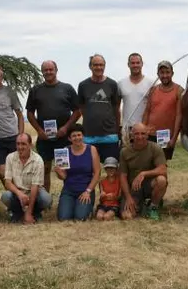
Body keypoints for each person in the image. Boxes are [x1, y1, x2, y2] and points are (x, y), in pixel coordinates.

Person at [26, 60, 81, 193]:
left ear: (56, 70)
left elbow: (78, 111)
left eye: (51, 69)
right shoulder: (35, 90)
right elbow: (29, 113)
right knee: (44, 168)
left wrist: (66, 128)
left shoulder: (67, 88)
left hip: (63, 137)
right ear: (42, 72)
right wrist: (39, 130)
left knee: (64, 168)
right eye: (45, 70)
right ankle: (45, 200)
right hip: (45, 138)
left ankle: (68, 196)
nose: (48, 72)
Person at [77, 54, 121, 162]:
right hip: (89, 136)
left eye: (101, 65)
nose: (98, 67)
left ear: (105, 66)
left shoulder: (112, 84)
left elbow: (116, 108)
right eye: (95, 65)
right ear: (90, 66)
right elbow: (81, 107)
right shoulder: (83, 85)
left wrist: (117, 128)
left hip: (110, 135)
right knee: (89, 169)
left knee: (112, 168)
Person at [1, 133, 53, 224]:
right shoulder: (10, 157)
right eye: (18, 144)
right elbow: (7, 183)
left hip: (34, 192)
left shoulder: (38, 160)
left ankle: (33, 212)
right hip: (18, 192)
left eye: (23, 144)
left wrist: (28, 212)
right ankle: (18, 213)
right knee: (6, 196)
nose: (20, 147)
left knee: (46, 199)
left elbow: (35, 186)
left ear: (30, 145)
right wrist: (20, 194)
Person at [53, 124, 101, 221]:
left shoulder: (92, 149)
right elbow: (64, 177)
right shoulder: (65, 151)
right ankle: (71, 205)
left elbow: (97, 173)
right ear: (70, 138)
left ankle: (87, 208)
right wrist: (58, 172)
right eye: (74, 136)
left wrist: (88, 191)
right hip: (69, 190)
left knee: (80, 218)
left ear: (83, 136)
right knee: (63, 218)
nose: (77, 138)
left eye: (79, 135)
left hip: (85, 190)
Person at [120, 123, 168, 221]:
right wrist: (128, 197)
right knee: (127, 216)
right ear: (132, 135)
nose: (140, 137)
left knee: (162, 180)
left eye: (143, 133)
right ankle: (143, 205)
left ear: (147, 135)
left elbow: (163, 169)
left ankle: (153, 207)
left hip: (149, 185)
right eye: (137, 134)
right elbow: (122, 176)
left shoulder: (155, 148)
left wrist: (143, 173)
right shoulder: (124, 152)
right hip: (133, 188)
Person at [142, 60, 184, 160]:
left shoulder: (179, 90)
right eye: (162, 73)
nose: (165, 75)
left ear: (172, 73)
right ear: (158, 74)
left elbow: (179, 115)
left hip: (166, 136)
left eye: (167, 72)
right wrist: (142, 132)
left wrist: (174, 138)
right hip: (150, 134)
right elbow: (147, 111)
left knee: (161, 166)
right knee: (147, 164)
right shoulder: (153, 90)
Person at [118, 53, 155, 144]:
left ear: (142, 64)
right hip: (128, 129)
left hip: (144, 128)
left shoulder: (151, 83)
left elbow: (154, 107)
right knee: (128, 156)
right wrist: (119, 126)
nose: (135, 65)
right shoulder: (121, 83)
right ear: (128, 65)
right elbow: (117, 107)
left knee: (145, 157)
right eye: (132, 63)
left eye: (137, 63)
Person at [96, 157, 121, 221]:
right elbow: (101, 199)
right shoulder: (102, 181)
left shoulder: (119, 180)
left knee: (106, 217)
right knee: (99, 217)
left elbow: (119, 196)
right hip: (104, 204)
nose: (110, 170)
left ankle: (114, 215)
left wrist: (113, 196)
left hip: (114, 205)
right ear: (105, 169)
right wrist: (102, 195)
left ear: (116, 169)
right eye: (108, 168)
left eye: (112, 168)